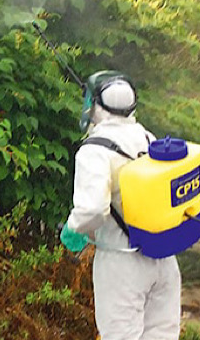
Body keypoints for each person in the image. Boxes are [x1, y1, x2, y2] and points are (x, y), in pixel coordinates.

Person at [60, 72, 181, 340]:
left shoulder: (94, 150)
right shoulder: (149, 138)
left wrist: (72, 229)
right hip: (163, 257)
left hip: (122, 262)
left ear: (94, 106)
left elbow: (92, 211)